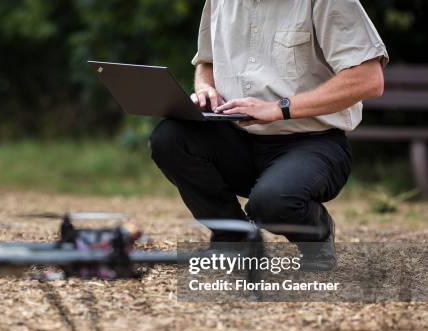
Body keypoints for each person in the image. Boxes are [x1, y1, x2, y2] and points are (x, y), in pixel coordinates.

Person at [149, 0, 388, 268]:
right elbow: (207, 62)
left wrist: (279, 108)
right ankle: (234, 242)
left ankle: (317, 234)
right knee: (169, 137)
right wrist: (205, 88)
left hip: (313, 143)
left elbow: (369, 79)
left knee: (272, 204)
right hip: (236, 137)